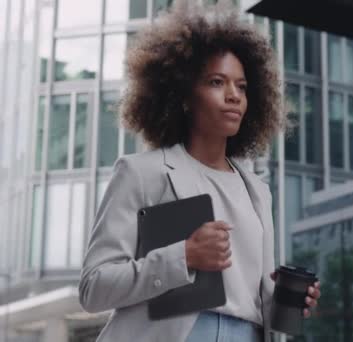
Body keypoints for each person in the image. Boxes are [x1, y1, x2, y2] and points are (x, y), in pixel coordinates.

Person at [78, 2, 321, 341]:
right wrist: (184, 257)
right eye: (217, 82)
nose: (234, 95)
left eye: (242, 86)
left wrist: (285, 297)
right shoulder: (142, 173)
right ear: (184, 96)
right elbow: (93, 288)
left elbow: (249, 299)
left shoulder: (257, 190)